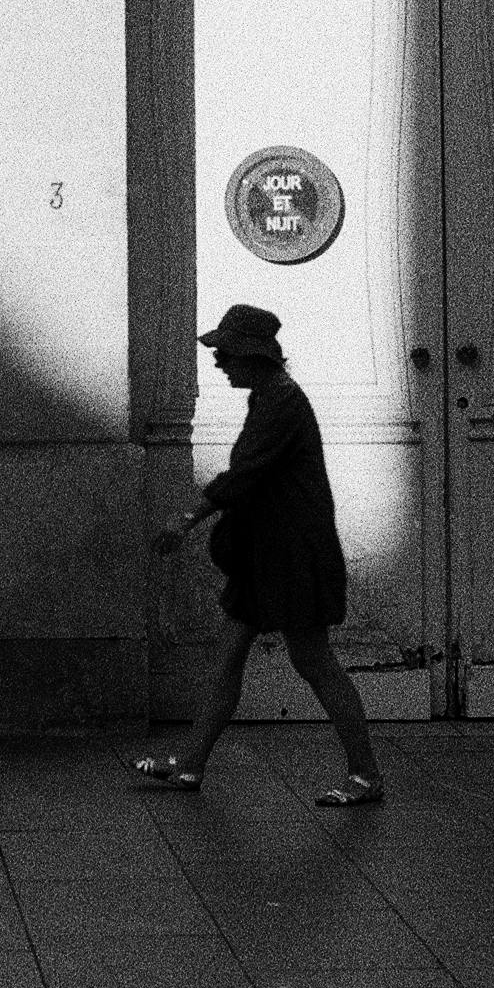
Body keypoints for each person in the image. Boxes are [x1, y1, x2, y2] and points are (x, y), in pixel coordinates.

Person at [134, 302, 383, 804]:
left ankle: (366, 775)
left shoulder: (283, 403)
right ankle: (191, 763)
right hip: (267, 555)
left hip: (293, 557)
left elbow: (244, 474)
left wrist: (187, 519)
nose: (218, 363)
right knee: (227, 657)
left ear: (254, 356)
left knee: (313, 661)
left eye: (225, 354)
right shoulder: (269, 397)